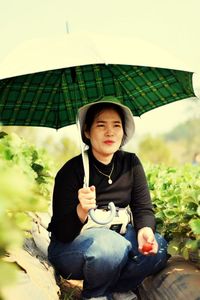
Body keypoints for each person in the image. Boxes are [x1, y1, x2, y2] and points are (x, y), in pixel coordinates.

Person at [47, 97, 169, 300]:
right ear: (87, 131)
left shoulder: (131, 163)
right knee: (111, 246)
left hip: (118, 237)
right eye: (101, 125)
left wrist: (145, 231)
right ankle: (95, 295)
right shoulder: (71, 171)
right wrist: (81, 210)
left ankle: (117, 289)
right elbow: (62, 232)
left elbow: (143, 208)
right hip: (72, 250)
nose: (110, 132)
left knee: (158, 248)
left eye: (116, 125)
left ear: (124, 131)